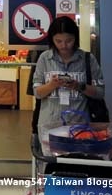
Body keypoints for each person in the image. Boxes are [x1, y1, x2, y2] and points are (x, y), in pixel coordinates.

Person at [32, 16, 105, 147]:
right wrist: (52, 85)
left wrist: (79, 86)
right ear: (52, 40)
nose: (64, 46)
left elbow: (100, 93)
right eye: (58, 41)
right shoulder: (44, 58)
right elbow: (37, 93)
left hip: (80, 127)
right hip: (49, 126)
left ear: (75, 38)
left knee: (76, 165)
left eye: (69, 41)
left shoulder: (88, 59)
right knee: (51, 165)